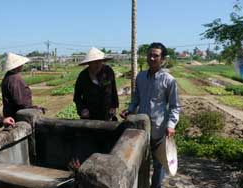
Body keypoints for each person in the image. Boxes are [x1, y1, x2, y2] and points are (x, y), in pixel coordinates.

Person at [120, 42, 180, 188]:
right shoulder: (140, 77)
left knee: (159, 164)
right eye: (150, 55)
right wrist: (130, 109)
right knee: (140, 161)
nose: (152, 58)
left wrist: (171, 125)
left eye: (156, 56)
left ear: (163, 59)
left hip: (159, 129)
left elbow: (175, 106)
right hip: (141, 128)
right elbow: (136, 98)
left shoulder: (169, 80)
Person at [73, 47, 119, 121]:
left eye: (99, 61)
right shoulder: (83, 76)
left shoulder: (108, 71)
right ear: (89, 63)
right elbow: (77, 97)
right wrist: (82, 109)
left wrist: (114, 106)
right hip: (89, 115)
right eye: (94, 62)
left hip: (106, 113)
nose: (98, 64)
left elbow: (113, 90)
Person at [1, 53, 33, 119]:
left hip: (9, 114)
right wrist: (31, 108)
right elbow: (20, 101)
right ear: (17, 66)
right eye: (21, 64)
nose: (22, 66)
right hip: (18, 115)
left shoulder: (8, 76)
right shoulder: (15, 79)